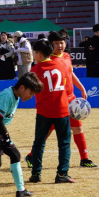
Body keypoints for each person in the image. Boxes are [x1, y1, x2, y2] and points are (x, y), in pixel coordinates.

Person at [25, 31, 97, 169]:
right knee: (47, 132)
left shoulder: (66, 56)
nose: (60, 45)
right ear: (50, 44)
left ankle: (84, 158)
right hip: (57, 102)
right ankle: (31, 156)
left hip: (71, 100)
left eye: (62, 42)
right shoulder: (47, 60)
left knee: (77, 128)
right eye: (56, 43)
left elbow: (70, 72)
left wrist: (81, 87)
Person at [28, 40, 75, 184]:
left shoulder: (35, 70)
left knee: (39, 142)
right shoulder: (61, 65)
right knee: (64, 143)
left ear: (39, 54)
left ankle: (36, 173)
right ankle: (62, 174)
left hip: (44, 111)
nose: (33, 56)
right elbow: (67, 86)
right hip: (61, 109)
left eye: (34, 53)